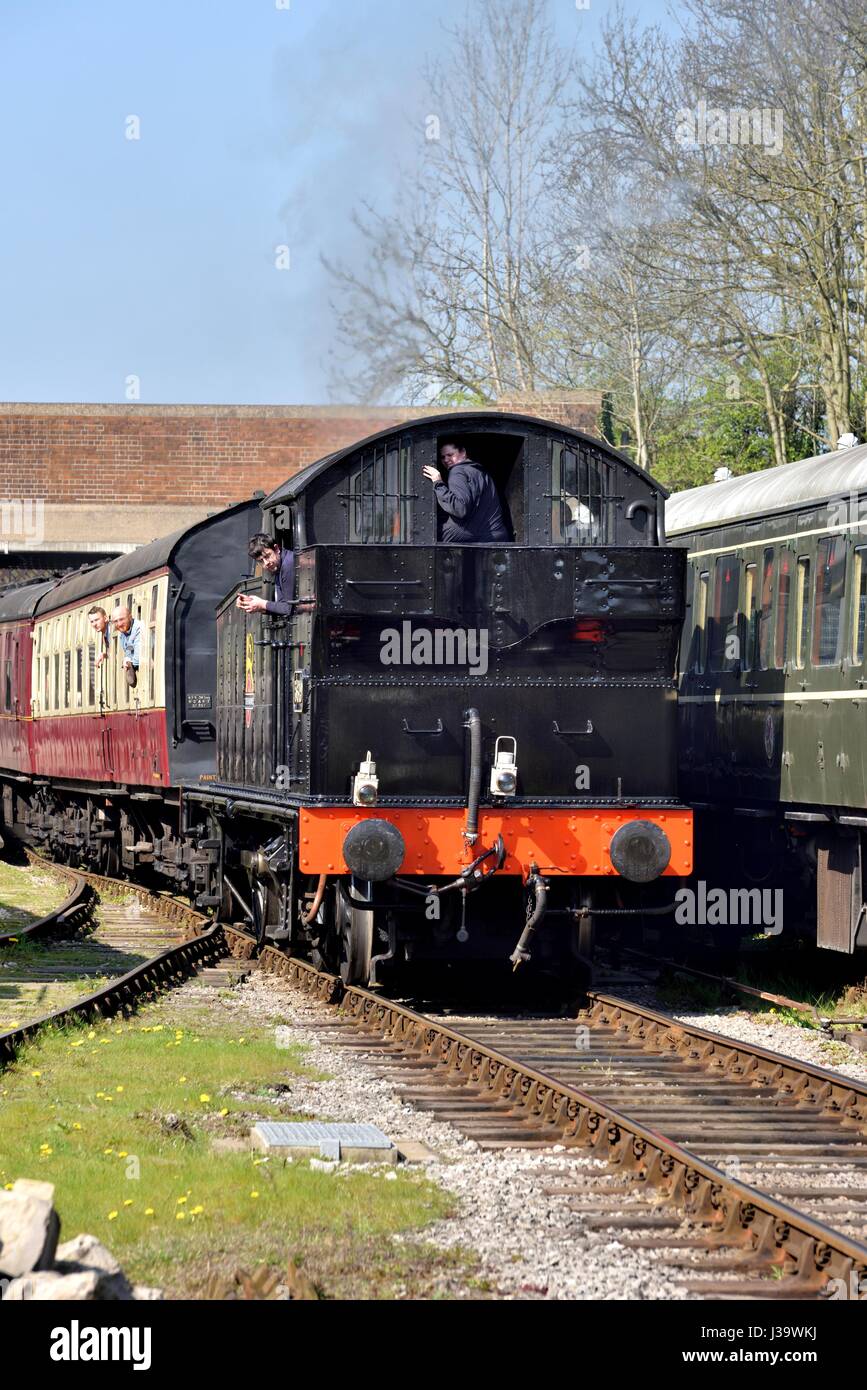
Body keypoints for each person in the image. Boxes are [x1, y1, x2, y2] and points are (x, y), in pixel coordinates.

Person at [423, 440, 509, 542]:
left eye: (450, 455)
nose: (446, 460)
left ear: (463, 452)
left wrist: (438, 482)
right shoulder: (480, 471)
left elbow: (460, 509)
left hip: (470, 535)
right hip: (497, 534)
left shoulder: (457, 471)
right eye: (443, 457)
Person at [236, 533, 294, 617]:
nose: (266, 563)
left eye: (267, 556)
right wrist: (255, 605)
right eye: (261, 561)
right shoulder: (278, 567)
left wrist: (263, 604)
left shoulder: (288, 565)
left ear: (276, 549)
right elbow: (282, 607)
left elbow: (290, 609)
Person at [111, 605, 141, 688]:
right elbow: (129, 650)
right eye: (115, 621)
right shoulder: (122, 634)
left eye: (121, 619)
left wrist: (129, 660)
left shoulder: (138, 628)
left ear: (130, 617)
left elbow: (137, 659)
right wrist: (128, 658)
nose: (119, 624)